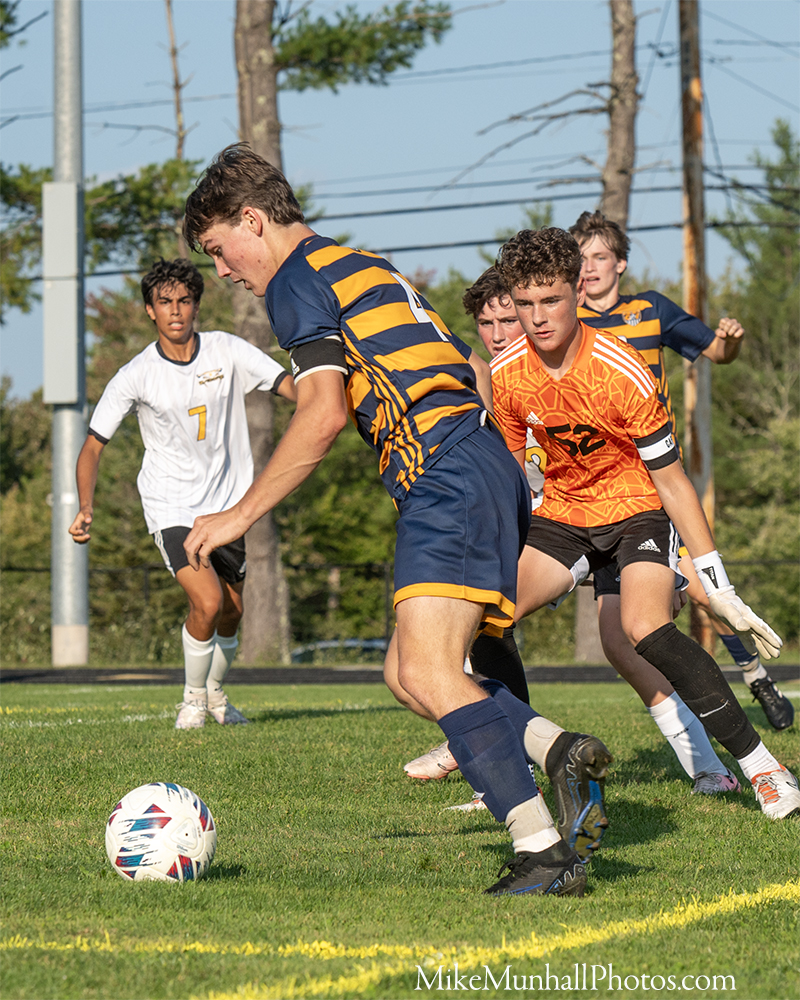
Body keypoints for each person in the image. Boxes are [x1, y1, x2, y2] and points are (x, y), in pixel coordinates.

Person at [180, 143, 611, 896]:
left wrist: (236, 515)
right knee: (408, 675)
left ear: (251, 220)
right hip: (477, 463)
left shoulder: (295, 280)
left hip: (446, 472)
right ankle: (556, 749)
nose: (221, 271)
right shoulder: (361, 263)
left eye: (218, 249)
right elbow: (464, 362)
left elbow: (321, 414)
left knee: (429, 671)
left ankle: (543, 851)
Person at [490, 226, 799, 821]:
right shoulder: (507, 373)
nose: (538, 318)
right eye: (524, 304)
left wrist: (717, 583)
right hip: (564, 515)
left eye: (550, 300)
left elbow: (673, 482)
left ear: (577, 292)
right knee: (488, 617)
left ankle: (763, 767)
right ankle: (511, 761)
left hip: (637, 508)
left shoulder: (621, 369)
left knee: (643, 628)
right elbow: (510, 478)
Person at [404, 266, 742, 799]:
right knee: (487, 619)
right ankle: (504, 756)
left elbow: (649, 467)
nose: (500, 333)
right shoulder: (494, 380)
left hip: (625, 510)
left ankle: (724, 747)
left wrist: (689, 571)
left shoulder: (585, 358)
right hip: (554, 525)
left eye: (509, 318)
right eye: (488, 323)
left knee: (633, 636)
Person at [571, 210, 793, 733]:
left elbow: (717, 351)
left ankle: (751, 679)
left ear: (620, 264)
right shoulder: (566, 322)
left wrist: (731, 339)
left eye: (600, 256)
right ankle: (749, 679)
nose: (589, 267)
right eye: (580, 259)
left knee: (694, 590)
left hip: (652, 479)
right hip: (594, 486)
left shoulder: (650, 310)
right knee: (642, 618)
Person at [69, 258, 296, 729]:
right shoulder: (136, 374)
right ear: (150, 310)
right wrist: (85, 506)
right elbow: (92, 446)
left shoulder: (227, 350)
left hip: (229, 507)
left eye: (185, 300)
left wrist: (335, 394)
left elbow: (290, 386)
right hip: (172, 506)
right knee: (207, 603)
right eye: (165, 301)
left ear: (196, 305)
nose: (175, 310)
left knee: (232, 612)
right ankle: (192, 701)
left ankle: (215, 695)